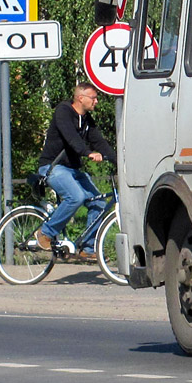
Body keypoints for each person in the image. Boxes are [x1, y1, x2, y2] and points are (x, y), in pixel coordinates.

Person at [34, 83, 116, 261]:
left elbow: (99, 143)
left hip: (72, 169)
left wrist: (121, 162)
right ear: (81, 98)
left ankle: (87, 247)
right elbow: (71, 137)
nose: (96, 101)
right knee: (76, 197)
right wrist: (87, 153)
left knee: (99, 203)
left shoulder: (87, 121)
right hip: (53, 167)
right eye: (93, 98)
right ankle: (45, 233)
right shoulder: (63, 112)